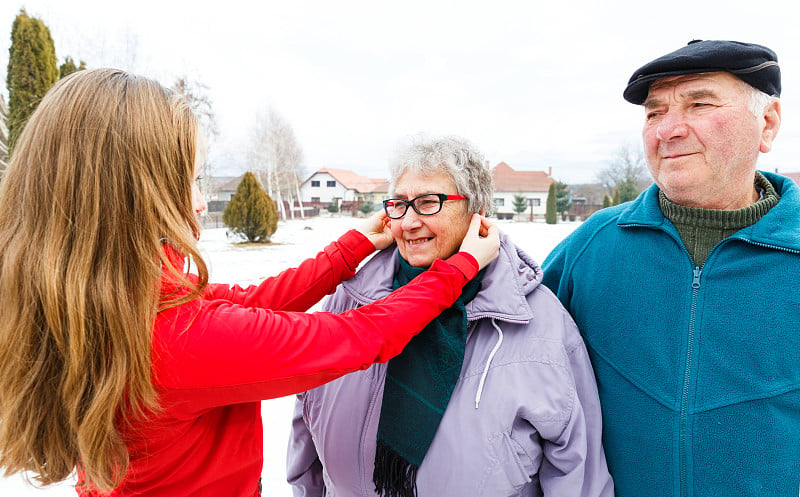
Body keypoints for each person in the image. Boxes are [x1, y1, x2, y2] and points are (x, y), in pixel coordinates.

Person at [0, 69, 501, 497]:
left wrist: (345, 253)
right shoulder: (172, 338)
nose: (199, 204)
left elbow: (243, 305)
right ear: (133, 194)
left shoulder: (101, 298)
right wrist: (456, 271)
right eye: (191, 181)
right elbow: (357, 338)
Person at [287, 136, 613, 497]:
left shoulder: (538, 321)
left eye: (428, 203)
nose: (409, 222)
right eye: (399, 204)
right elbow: (305, 438)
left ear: (478, 209)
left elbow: (576, 471)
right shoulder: (347, 302)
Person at [542, 40, 798, 496]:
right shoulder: (591, 247)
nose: (668, 130)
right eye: (654, 113)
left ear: (768, 122)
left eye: (699, 103)